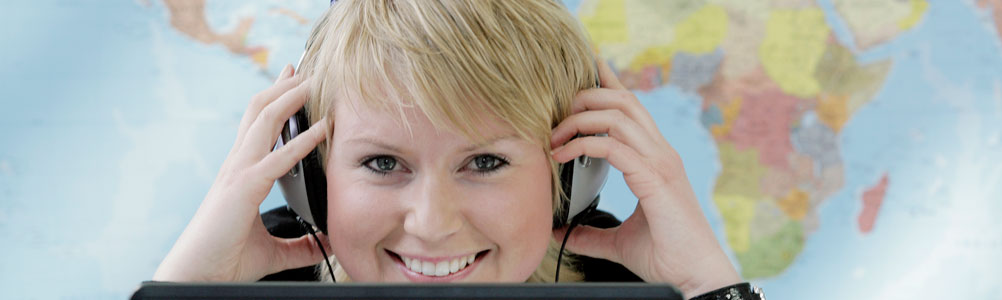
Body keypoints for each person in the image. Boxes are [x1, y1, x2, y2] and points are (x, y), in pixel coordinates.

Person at [153, 0, 759, 298]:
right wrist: (189, 287)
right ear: (310, 177)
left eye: (485, 162)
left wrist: (708, 284)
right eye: (383, 163)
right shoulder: (249, 283)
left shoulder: (626, 282)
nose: (433, 224)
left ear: (572, 175)